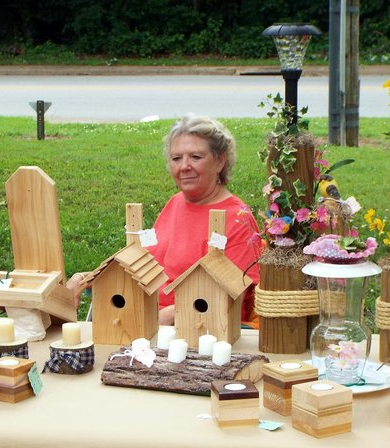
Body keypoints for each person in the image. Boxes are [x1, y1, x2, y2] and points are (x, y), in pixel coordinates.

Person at [68, 113, 261, 326]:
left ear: (220, 161)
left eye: (196, 157)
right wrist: (89, 278)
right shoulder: (176, 203)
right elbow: (145, 262)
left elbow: (231, 300)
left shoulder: (237, 219)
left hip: (197, 331)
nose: (184, 166)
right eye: (176, 158)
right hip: (145, 317)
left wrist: (167, 316)